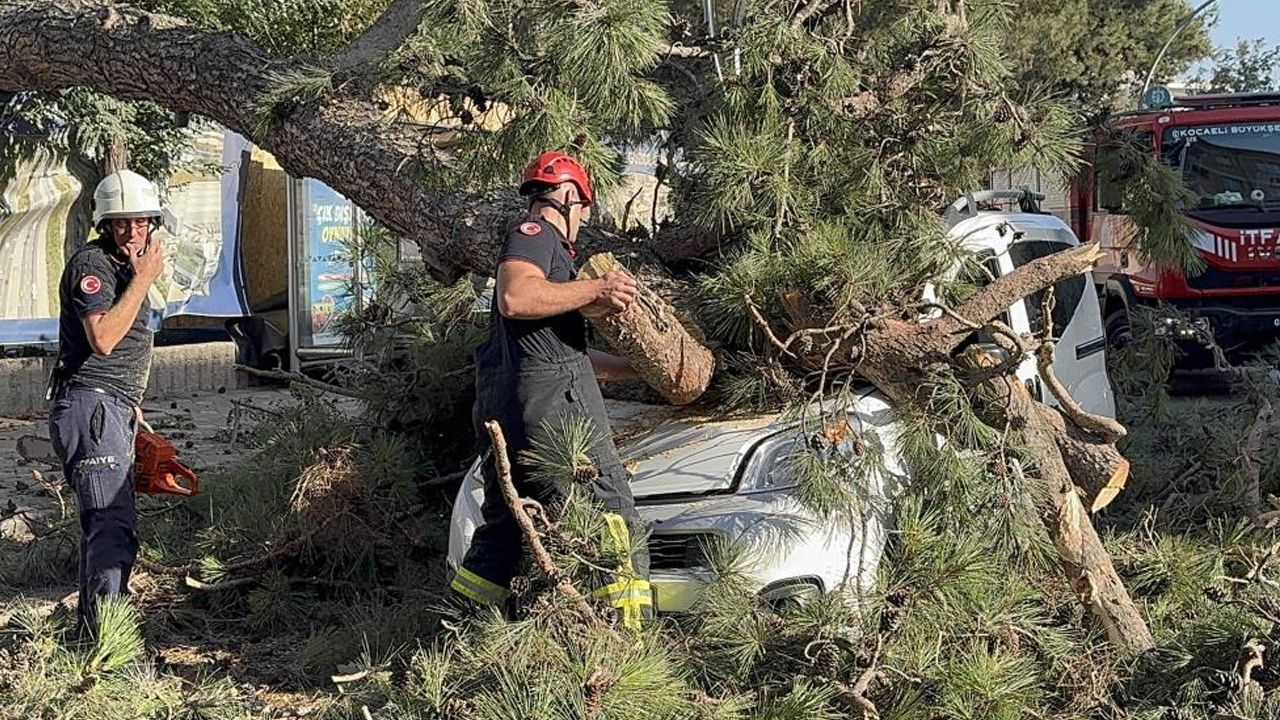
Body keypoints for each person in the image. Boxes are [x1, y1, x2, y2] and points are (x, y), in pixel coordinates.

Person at [450, 150, 654, 628]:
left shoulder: (548, 261)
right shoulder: (537, 236)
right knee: (612, 511)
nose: (582, 219)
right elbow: (516, 298)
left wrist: (635, 369)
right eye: (583, 207)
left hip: (513, 406)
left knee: (507, 522)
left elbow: (559, 355)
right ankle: (631, 639)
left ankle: (466, 630)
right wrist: (596, 291)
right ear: (567, 197)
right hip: (555, 412)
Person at [47, 169, 167, 635]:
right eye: (121, 223)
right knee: (110, 526)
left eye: (141, 221)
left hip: (109, 408)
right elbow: (103, 340)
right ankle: (106, 646)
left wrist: (129, 406)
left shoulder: (124, 268)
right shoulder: (93, 267)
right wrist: (144, 279)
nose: (133, 231)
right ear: (106, 225)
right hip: (90, 408)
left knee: (110, 527)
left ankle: (93, 637)